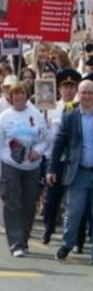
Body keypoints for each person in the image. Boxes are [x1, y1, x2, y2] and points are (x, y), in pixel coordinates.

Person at [48, 80, 93, 266]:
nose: (87, 96)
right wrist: (52, 168)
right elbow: (59, 143)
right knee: (74, 211)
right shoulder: (70, 116)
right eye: (83, 93)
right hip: (78, 172)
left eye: (90, 92)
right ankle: (67, 244)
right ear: (78, 95)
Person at [0, 82, 52, 257]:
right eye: (15, 94)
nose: (19, 96)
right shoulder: (4, 117)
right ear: (11, 97)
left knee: (29, 204)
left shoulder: (36, 115)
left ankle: (24, 239)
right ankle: (16, 244)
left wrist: (38, 151)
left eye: (22, 93)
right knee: (12, 202)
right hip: (10, 164)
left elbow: (46, 138)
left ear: (27, 95)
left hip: (32, 166)